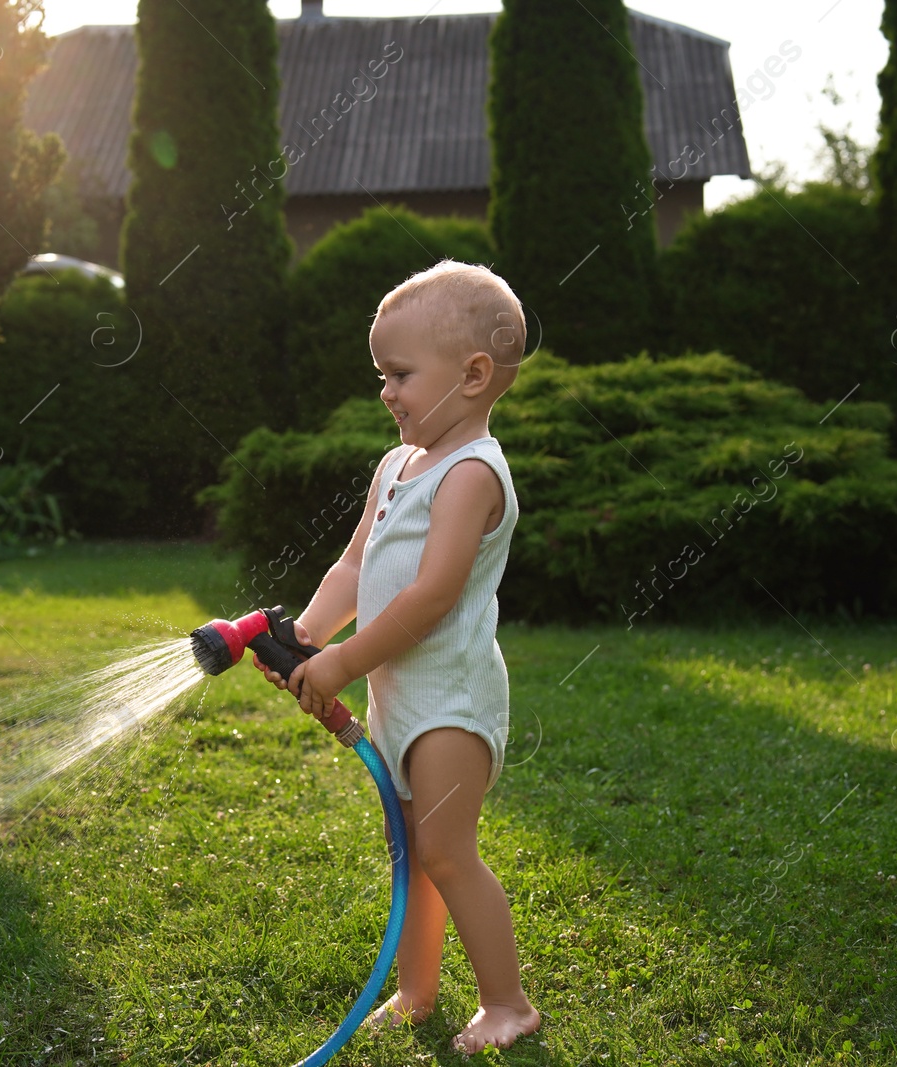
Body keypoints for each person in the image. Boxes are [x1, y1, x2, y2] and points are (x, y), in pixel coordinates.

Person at [254, 260, 540, 1054]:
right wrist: (312, 630)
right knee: (411, 854)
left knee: (448, 852)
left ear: (475, 375)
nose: (387, 391)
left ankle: (508, 1003)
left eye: (402, 374)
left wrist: (343, 663)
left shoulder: (473, 472)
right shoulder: (397, 465)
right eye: (383, 374)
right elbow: (356, 567)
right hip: (399, 696)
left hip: (450, 701)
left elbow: (431, 594)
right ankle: (417, 991)